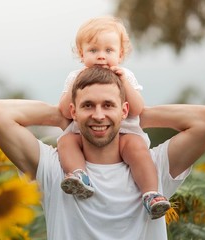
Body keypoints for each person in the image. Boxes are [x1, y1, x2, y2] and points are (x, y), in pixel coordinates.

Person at [0, 66, 205, 239]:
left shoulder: (151, 167)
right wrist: (60, 117)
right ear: (73, 111)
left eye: (108, 105)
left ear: (124, 110)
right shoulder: (55, 168)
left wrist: (138, 117)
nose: (98, 115)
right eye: (88, 105)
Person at [57, 16, 170, 219]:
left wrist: (124, 82)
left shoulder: (125, 75)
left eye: (108, 51)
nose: (101, 57)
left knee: (137, 149)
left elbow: (137, 108)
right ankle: (79, 176)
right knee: (66, 141)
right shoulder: (76, 77)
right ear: (82, 54)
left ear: (120, 54)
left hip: (124, 133)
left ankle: (150, 193)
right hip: (86, 134)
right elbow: (66, 111)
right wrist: (77, 83)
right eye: (93, 50)